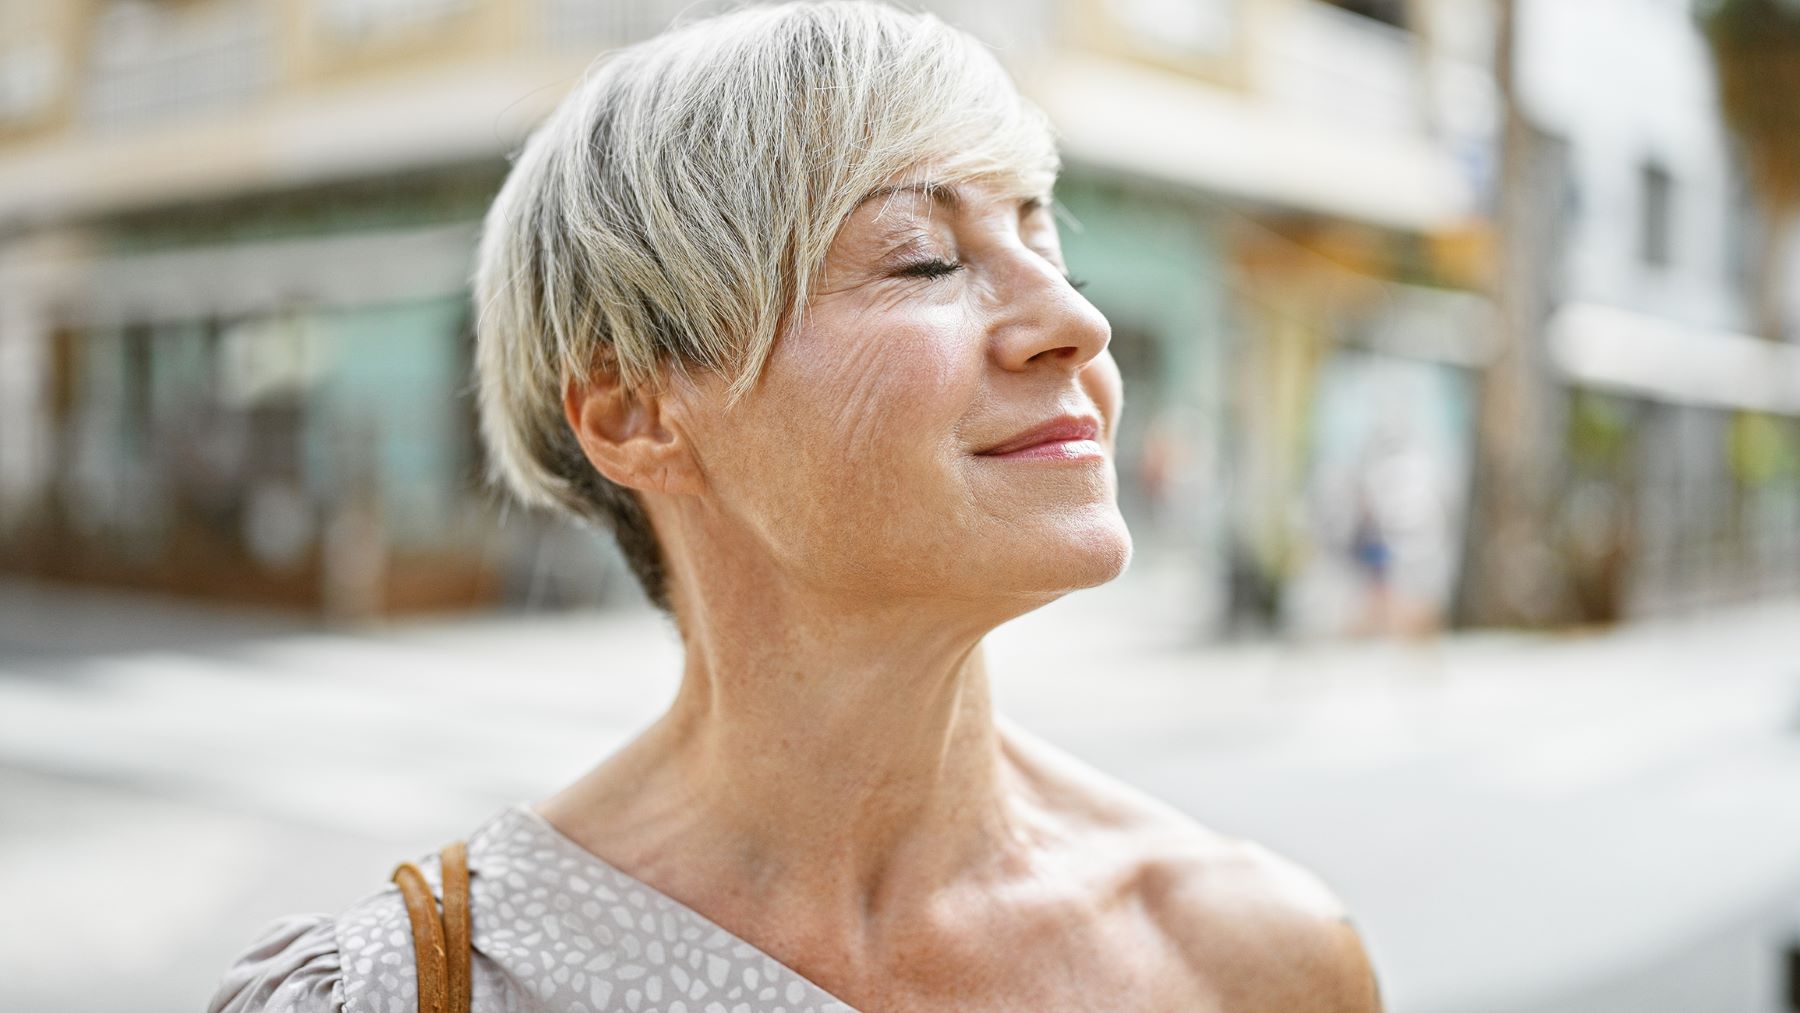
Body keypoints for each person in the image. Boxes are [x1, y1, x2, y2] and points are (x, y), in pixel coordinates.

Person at [208, 3, 1384, 1010]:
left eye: (1041, 237)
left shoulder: (1252, 958)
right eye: (922, 259)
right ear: (628, 413)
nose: (1076, 319)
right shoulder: (426, 985)